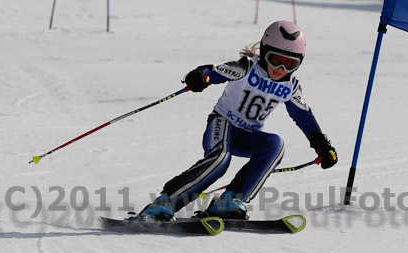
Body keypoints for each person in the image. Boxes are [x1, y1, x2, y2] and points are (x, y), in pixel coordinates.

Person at [138, 20, 337, 221]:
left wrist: (321, 144)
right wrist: (203, 77)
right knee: (220, 160)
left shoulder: (291, 87)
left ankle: (230, 201)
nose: (279, 68)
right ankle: (165, 203)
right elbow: (216, 71)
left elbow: (303, 115)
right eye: (274, 59)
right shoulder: (247, 68)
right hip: (222, 124)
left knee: (275, 145)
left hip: (247, 136)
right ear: (264, 51)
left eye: (289, 64)